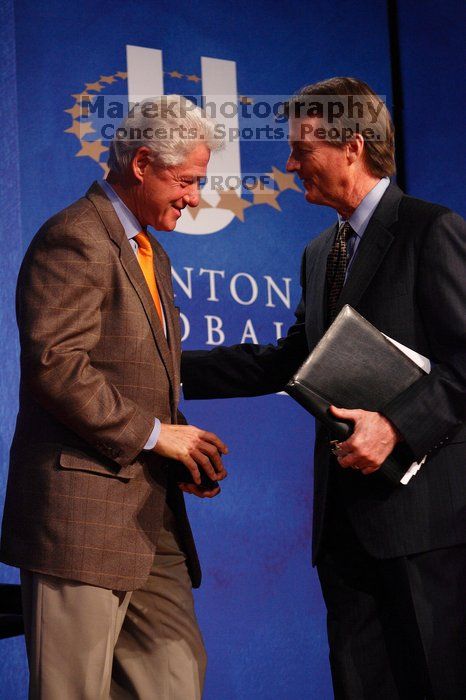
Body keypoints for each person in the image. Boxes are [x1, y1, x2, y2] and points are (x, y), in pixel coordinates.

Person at [181, 78, 466, 699]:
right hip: (344, 531)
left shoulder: (429, 230)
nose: (288, 164)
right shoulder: (320, 252)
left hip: (423, 529)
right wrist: (161, 366)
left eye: (301, 148)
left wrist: (396, 426)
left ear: (351, 148)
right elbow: (291, 361)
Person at [0, 95, 228, 700]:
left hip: (151, 518)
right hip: (81, 518)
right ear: (143, 163)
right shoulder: (75, 237)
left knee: (176, 683)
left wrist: (181, 451)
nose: (194, 197)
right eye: (187, 181)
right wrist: (157, 435)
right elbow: (55, 364)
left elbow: (137, 376)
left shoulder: (153, 254)